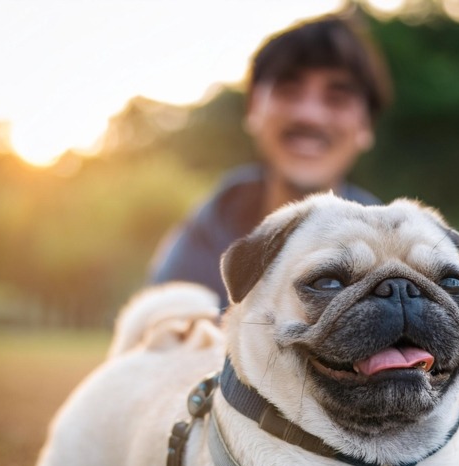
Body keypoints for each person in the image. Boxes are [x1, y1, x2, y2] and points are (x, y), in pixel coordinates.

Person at [148, 12, 393, 307]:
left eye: (336, 98)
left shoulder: (394, 250)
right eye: (289, 91)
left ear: (366, 126)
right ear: (253, 108)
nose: (309, 115)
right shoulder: (199, 242)